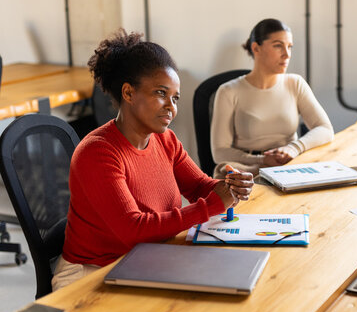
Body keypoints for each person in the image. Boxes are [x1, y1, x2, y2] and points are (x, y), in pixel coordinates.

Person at [52, 29, 253, 291]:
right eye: (161, 93)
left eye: (175, 98)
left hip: (146, 259)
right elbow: (132, 230)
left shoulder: (165, 140)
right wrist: (213, 205)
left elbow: (199, 187)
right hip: (92, 275)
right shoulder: (98, 153)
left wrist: (229, 185)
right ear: (128, 93)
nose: (171, 106)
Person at [211, 18, 334, 177]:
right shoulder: (228, 91)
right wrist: (262, 160)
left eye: (289, 47)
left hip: (289, 168)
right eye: (278, 46)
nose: (287, 54)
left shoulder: (295, 83)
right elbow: (219, 152)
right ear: (256, 48)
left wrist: (293, 148)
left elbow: (325, 129)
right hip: (246, 171)